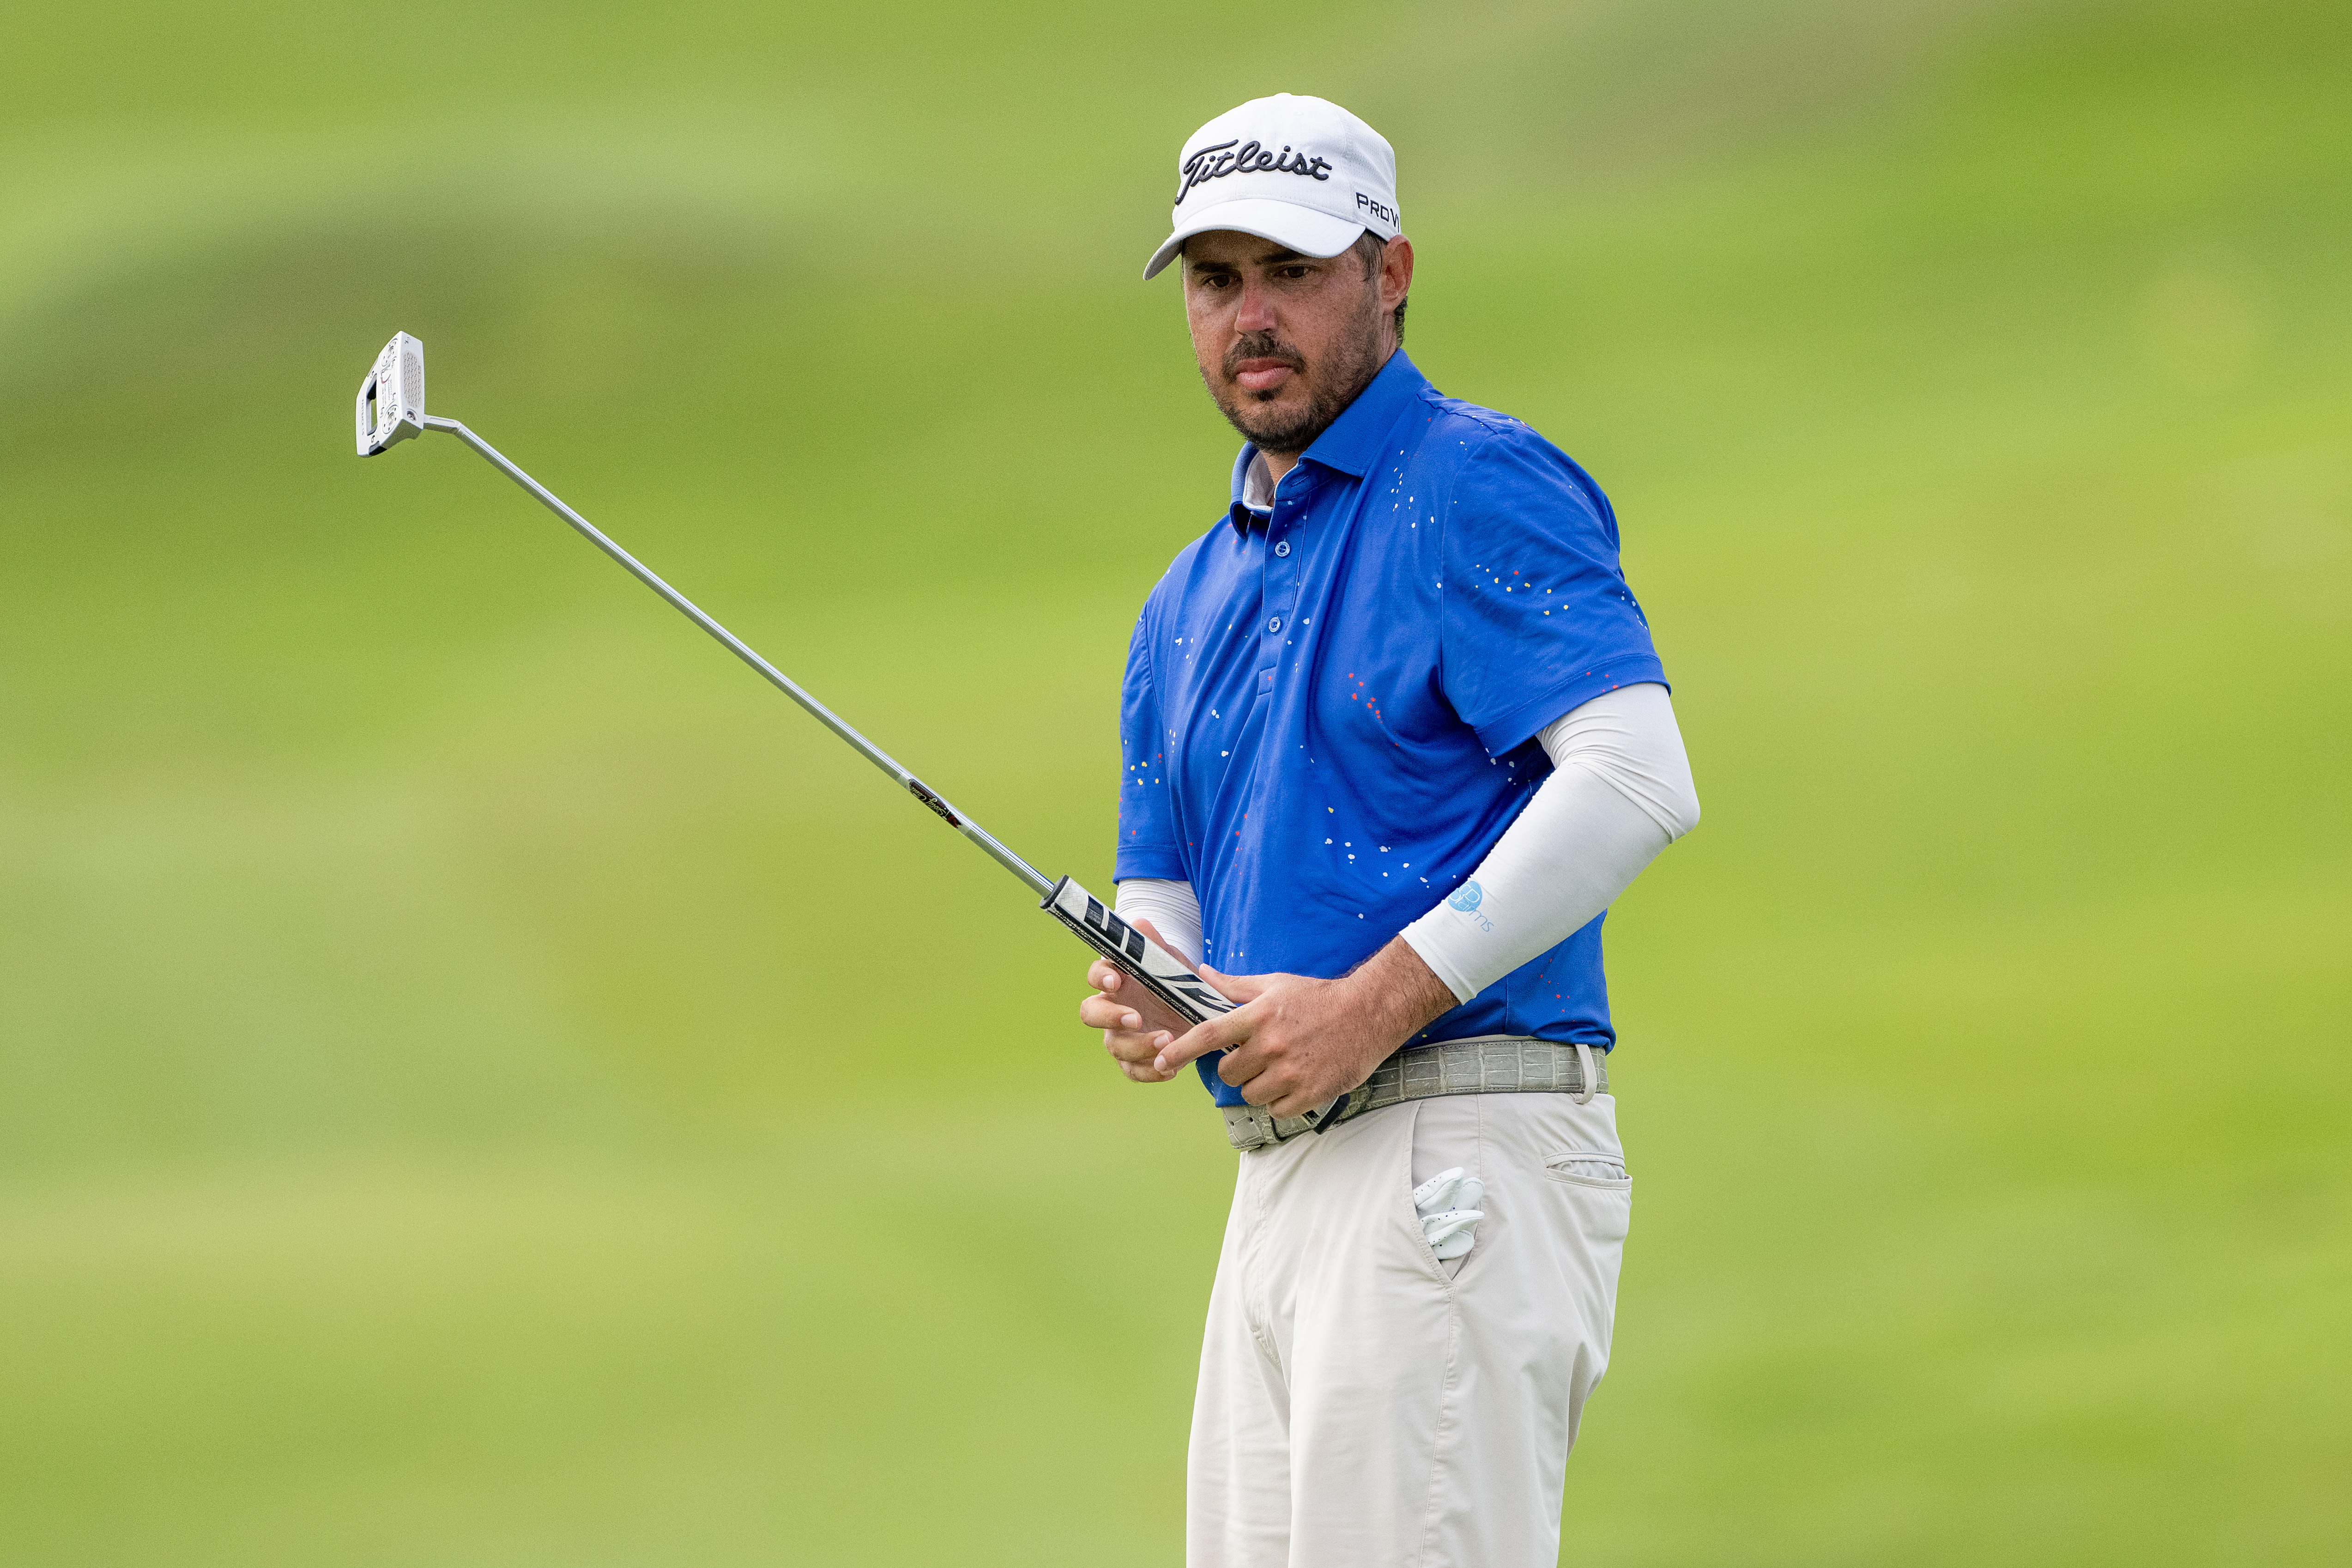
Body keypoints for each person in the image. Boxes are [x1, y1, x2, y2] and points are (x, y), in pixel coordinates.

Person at [1078, 94, 1702, 1567]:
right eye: (1219, 281)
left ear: (1390, 271)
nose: (1253, 318)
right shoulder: (1185, 599)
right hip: (1282, 1177)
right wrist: (1151, 981)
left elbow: (1635, 776)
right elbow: (1163, 883)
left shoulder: (1475, 485)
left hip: (1455, 1151)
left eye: (1290, 272)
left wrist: (1370, 1004)